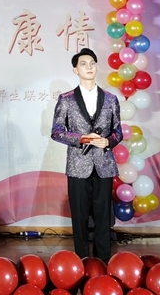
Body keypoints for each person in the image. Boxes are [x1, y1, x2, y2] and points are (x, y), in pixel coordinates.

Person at [51, 47, 123, 262]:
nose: (89, 67)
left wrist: (108, 141)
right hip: (77, 165)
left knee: (103, 216)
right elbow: (56, 132)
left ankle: (103, 261)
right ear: (75, 70)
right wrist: (82, 138)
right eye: (83, 64)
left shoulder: (110, 99)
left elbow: (118, 131)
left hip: (104, 164)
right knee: (79, 216)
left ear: (97, 67)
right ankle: (81, 260)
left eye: (92, 63)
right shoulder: (66, 99)